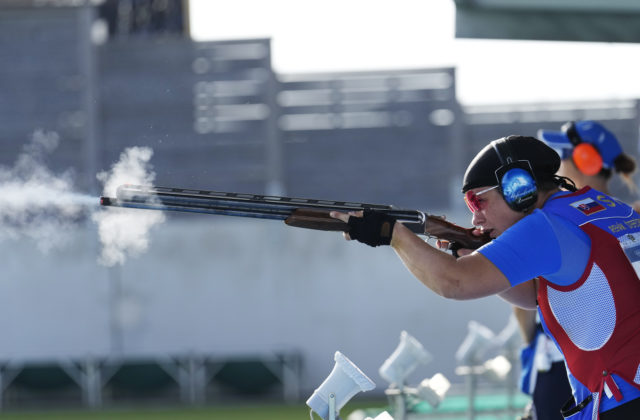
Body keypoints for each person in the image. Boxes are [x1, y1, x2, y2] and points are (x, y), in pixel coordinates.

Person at [330, 135, 640, 420]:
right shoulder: (604, 209)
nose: (475, 217)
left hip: (624, 399)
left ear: (518, 188)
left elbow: (454, 283)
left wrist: (392, 234)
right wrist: (475, 258)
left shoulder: (546, 226)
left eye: (479, 201)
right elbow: (538, 295)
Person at [511, 120, 638, 420]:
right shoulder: (628, 216)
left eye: (561, 156)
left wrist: (531, 343)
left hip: (572, 371)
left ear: (586, 159)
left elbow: (526, 306)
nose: (556, 166)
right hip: (626, 376)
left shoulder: (554, 222)